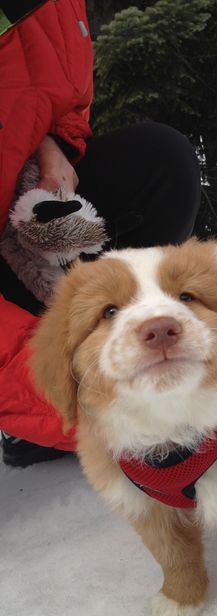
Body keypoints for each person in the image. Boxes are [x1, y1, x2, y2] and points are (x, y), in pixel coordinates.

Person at [0, 0, 201, 466]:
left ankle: (142, 355)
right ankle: (46, 413)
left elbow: (50, 95)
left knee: (159, 161)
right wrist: (98, 413)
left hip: (26, 209)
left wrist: (54, 145)